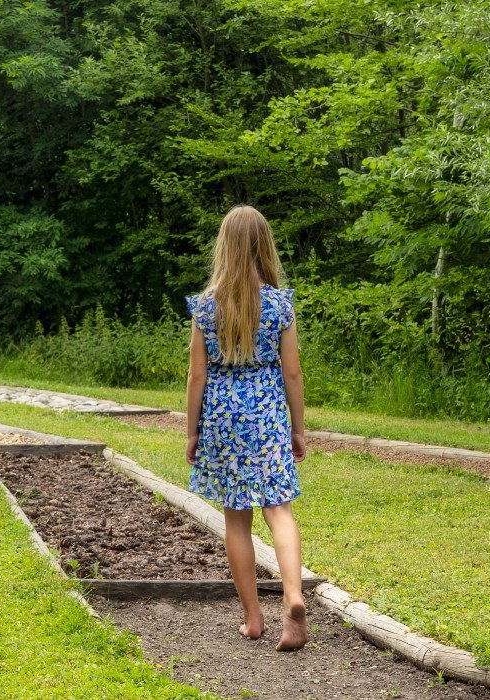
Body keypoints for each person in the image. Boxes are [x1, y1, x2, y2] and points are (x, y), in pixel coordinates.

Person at [184, 205, 310, 652]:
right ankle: (293, 597)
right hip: (269, 412)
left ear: (224, 247)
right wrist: (297, 427)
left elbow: (197, 376)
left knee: (236, 520)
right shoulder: (279, 304)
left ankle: (253, 618)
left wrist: (192, 432)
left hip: (221, 416)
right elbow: (292, 374)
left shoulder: (205, 306)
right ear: (264, 246)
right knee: (279, 508)